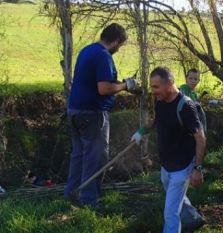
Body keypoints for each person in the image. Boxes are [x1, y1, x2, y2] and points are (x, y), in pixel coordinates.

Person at [63, 23, 139, 208]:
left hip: (75, 111)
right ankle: (89, 201)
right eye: (120, 45)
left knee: (79, 155)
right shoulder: (103, 56)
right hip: (93, 114)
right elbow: (104, 88)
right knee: (94, 157)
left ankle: (71, 194)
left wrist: (120, 85)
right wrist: (126, 86)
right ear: (115, 41)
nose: (119, 49)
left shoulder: (88, 50)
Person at [130, 66, 206, 233]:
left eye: (156, 87)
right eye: (151, 86)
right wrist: (142, 131)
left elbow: (200, 138)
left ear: (170, 83)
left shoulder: (186, 107)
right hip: (167, 165)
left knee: (170, 212)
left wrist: (197, 168)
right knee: (175, 196)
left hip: (182, 165)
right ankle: (193, 217)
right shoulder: (160, 101)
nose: (153, 91)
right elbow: (157, 119)